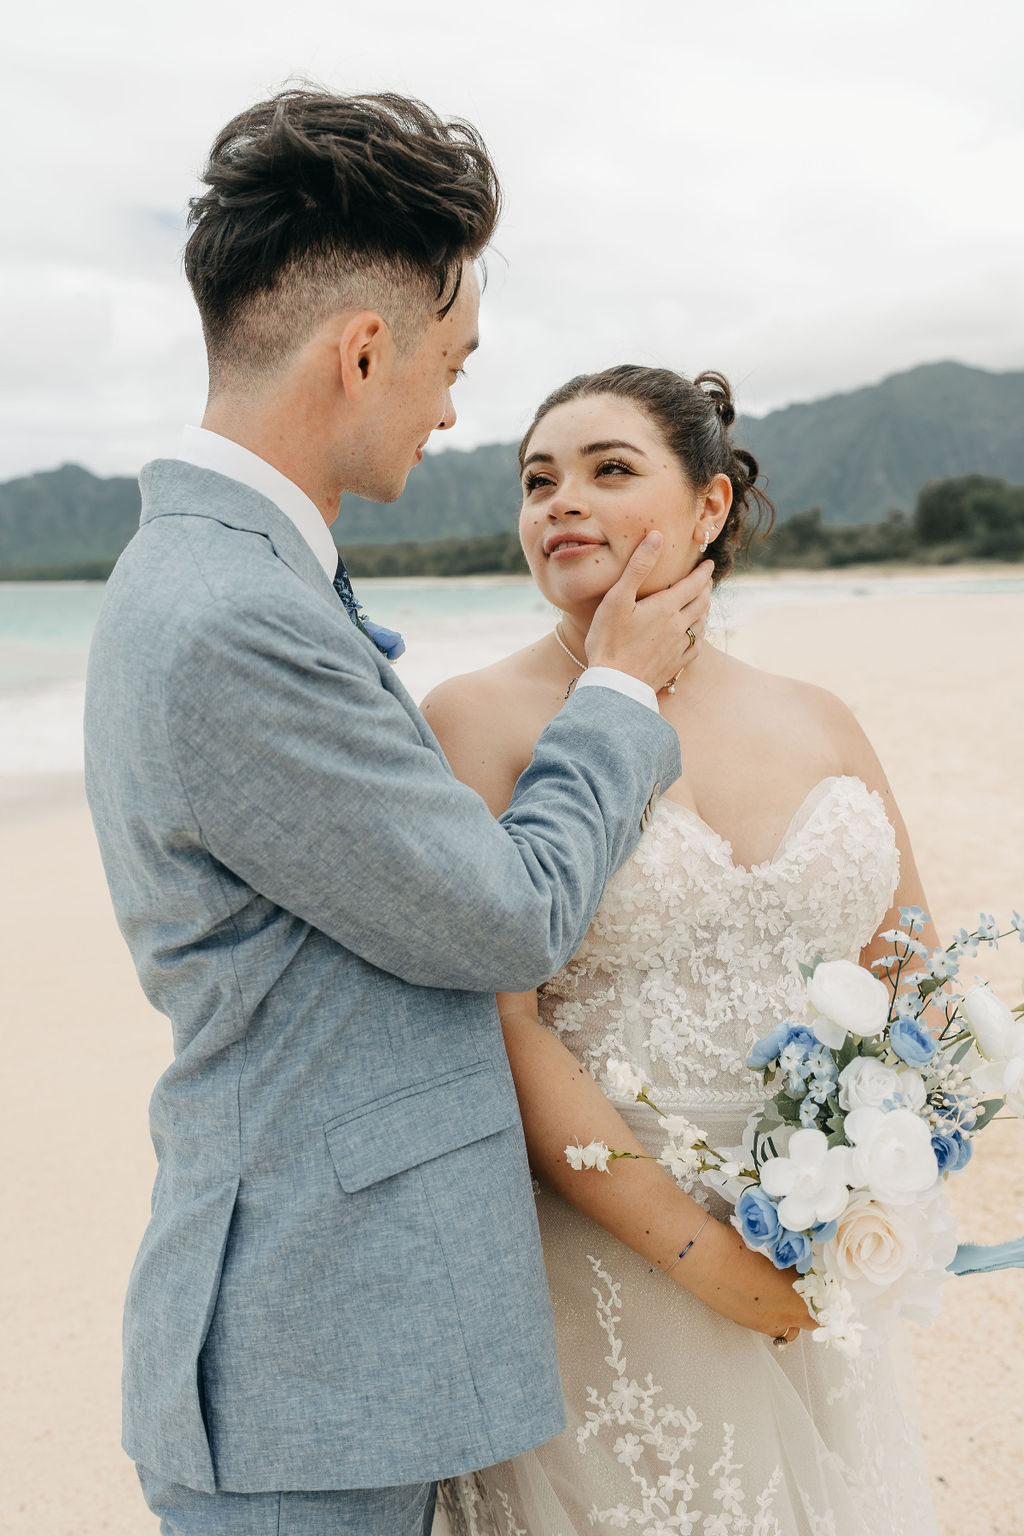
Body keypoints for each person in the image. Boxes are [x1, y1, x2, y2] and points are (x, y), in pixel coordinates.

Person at [82, 94, 717, 1536]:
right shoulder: (228, 614)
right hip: (308, 1362)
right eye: (453, 367)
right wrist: (615, 695)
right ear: (363, 350)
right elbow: (500, 915)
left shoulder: (233, 575)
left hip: (334, 1346)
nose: (451, 414)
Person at [423, 365, 941, 1535]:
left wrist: (866, 1189)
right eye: (537, 480)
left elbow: (913, 967)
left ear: (710, 508)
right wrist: (708, 1257)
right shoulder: (477, 719)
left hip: (814, 1259)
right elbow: (500, 1023)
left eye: (610, 470)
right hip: (609, 1268)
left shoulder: (818, 715)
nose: (561, 502)